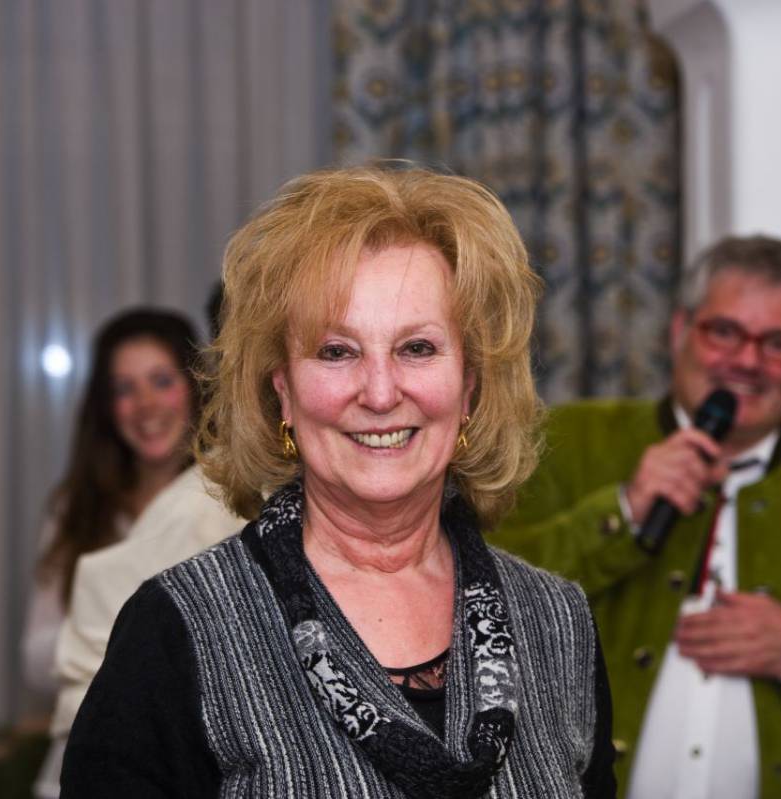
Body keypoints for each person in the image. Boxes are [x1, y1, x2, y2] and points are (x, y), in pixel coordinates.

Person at [60, 165, 618, 798]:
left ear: (469, 387)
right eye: (336, 351)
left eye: (417, 348)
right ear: (283, 392)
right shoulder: (180, 628)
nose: (379, 393)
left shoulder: (559, 626)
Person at [492, 234, 781, 798]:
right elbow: (472, 606)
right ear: (679, 331)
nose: (747, 361)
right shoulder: (564, 444)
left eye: (778, 342)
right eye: (725, 332)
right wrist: (621, 513)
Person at [33, 294, 245, 798]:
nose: (146, 404)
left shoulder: (232, 498)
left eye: (161, 381)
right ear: (106, 408)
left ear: (196, 385)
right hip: (74, 763)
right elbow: (35, 655)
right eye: (125, 389)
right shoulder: (78, 508)